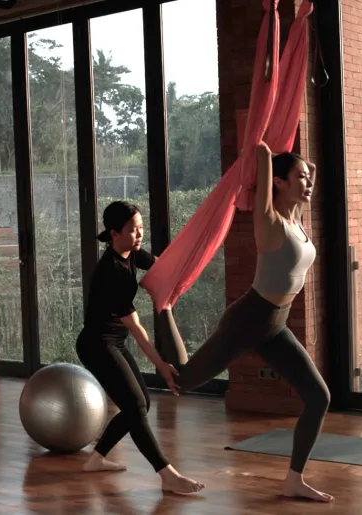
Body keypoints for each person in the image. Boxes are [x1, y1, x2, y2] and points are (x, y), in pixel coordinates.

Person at [159, 142, 333, 503]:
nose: (308, 180)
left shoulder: (298, 218)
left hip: (275, 324)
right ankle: (165, 308)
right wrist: (266, 132)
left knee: (318, 397)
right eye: (299, 177)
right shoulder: (268, 220)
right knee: (183, 381)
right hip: (249, 318)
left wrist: (303, 167)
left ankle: (294, 480)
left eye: (307, 176)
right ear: (280, 183)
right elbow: (263, 152)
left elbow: (311, 168)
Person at [76, 200, 204, 495]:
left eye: (141, 229)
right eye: (133, 230)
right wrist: (162, 367)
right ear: (114, 233)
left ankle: (96, 458)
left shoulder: (132, 254)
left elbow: (162, 267)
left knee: (140, 404)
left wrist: (192, 259)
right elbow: (137, 329)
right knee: (135, 406)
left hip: (114, 342)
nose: (139, 235)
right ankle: (167, 474)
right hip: (97, 345)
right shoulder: (112, 271)